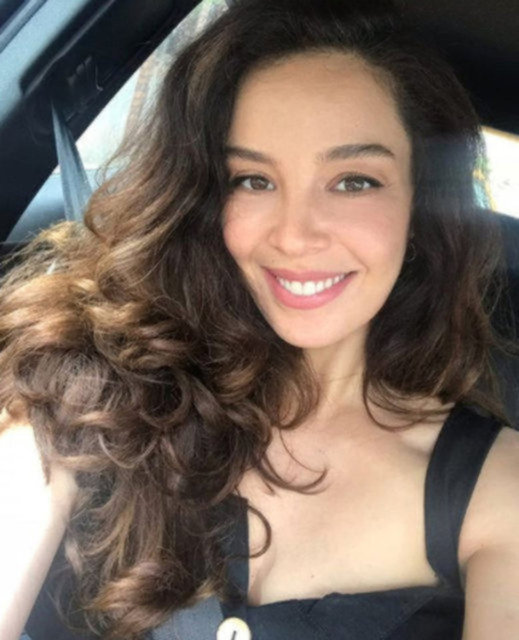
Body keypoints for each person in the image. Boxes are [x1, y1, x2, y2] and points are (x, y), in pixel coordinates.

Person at [1, 0, 519, 638]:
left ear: (421, 206)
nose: (294, 236)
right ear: (204, 195)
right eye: (252, 179)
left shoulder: (498, 489)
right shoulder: (79, 386)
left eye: (354, 181)